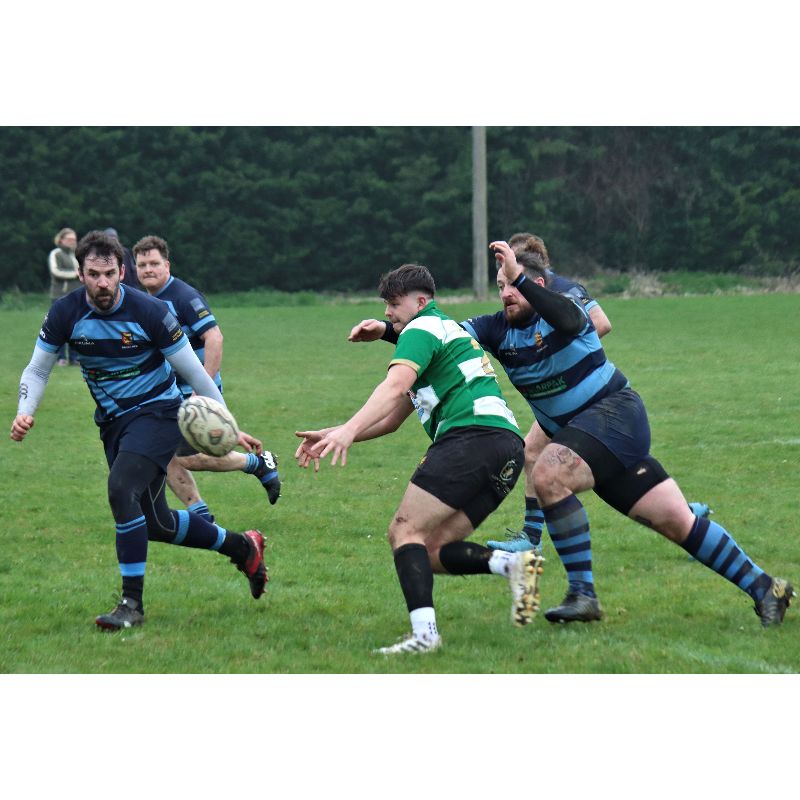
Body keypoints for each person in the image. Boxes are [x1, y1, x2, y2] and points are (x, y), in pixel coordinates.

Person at [477, 240, 792, 627]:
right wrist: (405, 325)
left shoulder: (565, 304)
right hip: (589, 436)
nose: (506, 293)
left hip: (615, 416)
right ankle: (767, 588)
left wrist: (521, 279)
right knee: (677, 521)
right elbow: (445, 337)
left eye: (512, 283)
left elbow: (572, 319)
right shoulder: (497, 329)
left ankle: (582, 594)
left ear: (537, 283)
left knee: (548, 473)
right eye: (501, 286)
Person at [11, 230, 268, 631]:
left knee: (121, 490)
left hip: (159, 414)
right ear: (80, 275)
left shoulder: (150, 311)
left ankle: (131, 604)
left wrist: (228, 424)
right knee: (156, 523)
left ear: (122, 272)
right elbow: (38, 369)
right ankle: (242, 546)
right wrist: (25, 412)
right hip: (114, 424)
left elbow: (195, 373)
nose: (102, 283)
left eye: (109, 274)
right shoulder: (65, 313)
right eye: (93, 275)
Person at [295, 263, 544, 655]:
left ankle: (425, 637)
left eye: (394, 304)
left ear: (421, 301)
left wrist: (348, 430)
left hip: (471, 437)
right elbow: (392, 420)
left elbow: (394, 386)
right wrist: (336, 433)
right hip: (505, 448)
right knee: (429, 550)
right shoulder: (444, 331)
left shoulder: (421, 329)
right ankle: (513, 565)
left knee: (404, 531)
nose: (388, 313)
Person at [486, 233, 711, 555]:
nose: (506, 270)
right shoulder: (522, 302)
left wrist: (560, 356)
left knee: (554, 457)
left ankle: (532, 539)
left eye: (512, 261)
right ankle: (685, 516)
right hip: (566, 400)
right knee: (550, 455)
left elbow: (600, 322)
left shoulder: (563, 290)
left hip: (591, 398)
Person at [133, 235, 281, 519]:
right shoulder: (145, 301)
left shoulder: (183, 296)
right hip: (167, 395)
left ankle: (257, 464)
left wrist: (203, 386)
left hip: (195, 392)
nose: (148, 269)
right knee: (165, 454)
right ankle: (201, 515)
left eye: (154, 263)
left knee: (189, 458)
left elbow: (214, 337)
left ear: (167, 265)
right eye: (142, 265)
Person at [48, 228, 81, 365]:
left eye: (74, 239)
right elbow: (55, 271)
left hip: (76, 296)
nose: (73, 241)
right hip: (60, 295)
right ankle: (61, 358)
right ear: (61, 240)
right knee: (60, 327)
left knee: (75, 328)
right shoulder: (56, 253)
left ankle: (74, 358)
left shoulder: (76, 255)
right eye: (69, 239)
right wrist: (74, 274)